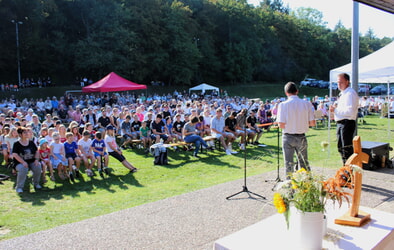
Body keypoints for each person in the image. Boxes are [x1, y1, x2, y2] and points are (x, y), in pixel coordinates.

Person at [277, 82, 315, 178]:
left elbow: (281, 125)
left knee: (288, 164)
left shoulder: (283, 105)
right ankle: (306, 186)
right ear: (297, 91)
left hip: (288, 136)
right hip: (301, 135)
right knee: (304, 163)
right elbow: (312, 123)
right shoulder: (306, 103)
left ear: (286, 93)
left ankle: (290, 189)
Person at [329, 73, 359, 164]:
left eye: (341, 82)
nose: (339, 84)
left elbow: (349, 112)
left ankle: (349, 171)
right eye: (338, 82)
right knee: (341, 148)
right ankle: (346, 169)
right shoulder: (343, 94)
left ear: (347, 82)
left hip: (347, 123)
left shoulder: (350, 93)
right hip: (341, 123)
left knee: (346, 149)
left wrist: (335, 110)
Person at [12, 127, 42, 193]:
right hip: (20, 162)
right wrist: (23, 162)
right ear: (20, 134)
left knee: (38, 166)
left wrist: (36, 160)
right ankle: (19, 187)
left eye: (27, 132)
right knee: (23, 168)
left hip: (31, 161)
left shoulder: (31, 142)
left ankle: (36, 184)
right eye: (24, 132)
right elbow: (15, 155)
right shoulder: (16, 144)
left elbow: (37, 151)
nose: (26, 134)